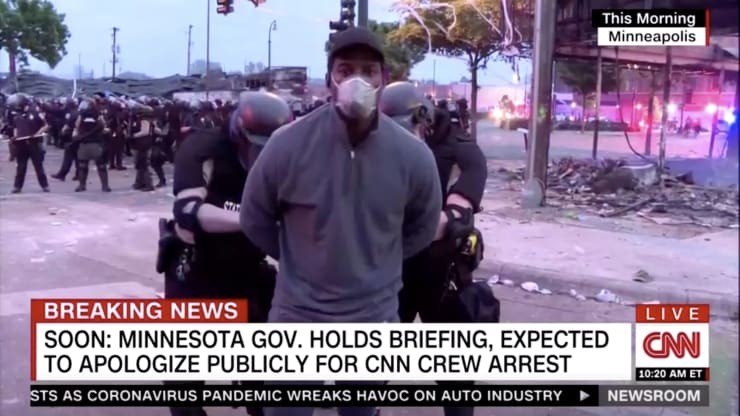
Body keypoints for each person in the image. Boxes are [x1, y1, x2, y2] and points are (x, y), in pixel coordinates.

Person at [239, 27, 442, 416]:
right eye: (346, 70)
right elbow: (254, 217)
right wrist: (301, 257)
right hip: (297, 317)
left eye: (369, 71)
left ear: (384, 79)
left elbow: (422, 226)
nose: (358, 81)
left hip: (374, 317)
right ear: (330, 79)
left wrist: (378, 260)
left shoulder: (413, 157)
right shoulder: (288, 144)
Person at [161, 91, 292, 416]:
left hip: (246, 269)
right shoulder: (202, 148)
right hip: (196, 270)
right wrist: (252, 220)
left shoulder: (286, 155)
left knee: (263, 377)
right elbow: (188, 211)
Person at [379, 82, 489, 416]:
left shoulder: (460, 151)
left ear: (423, 119)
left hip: (441, 275)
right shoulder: (376, 145)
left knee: (455, 383)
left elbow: (452, 218)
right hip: (390, 273)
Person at [9, 93, 50, 194]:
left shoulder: (35, 112)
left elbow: (45, 125)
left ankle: (45, 185)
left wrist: (37, 134)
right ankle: (17, 187)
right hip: (21, 144)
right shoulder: (16, 115)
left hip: (33, 144)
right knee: (21, 167)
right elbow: (16, 128)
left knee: (38, 166)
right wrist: (15, 137)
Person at [72, 98, 111, 192]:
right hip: (96, 143)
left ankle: (82, 185)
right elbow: (103, 125)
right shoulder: (97, 113)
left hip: (84, 143)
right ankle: (105, 186)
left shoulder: (82, 114)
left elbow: (77, 125)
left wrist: (80, 132)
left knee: (82, 165)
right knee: (101, 165)